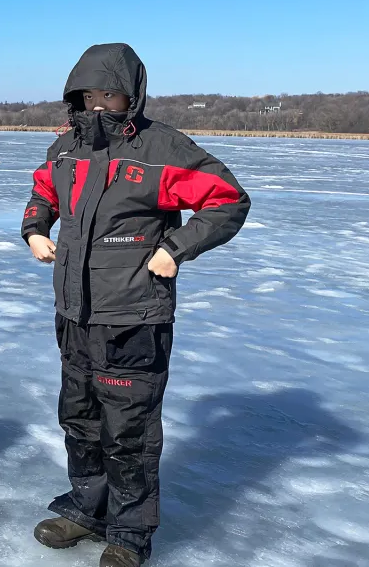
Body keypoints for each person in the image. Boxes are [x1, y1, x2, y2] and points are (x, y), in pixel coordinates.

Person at [21, 43, 250, 567]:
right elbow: (43, 192)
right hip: (75, 311)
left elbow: (228, 200)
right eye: (88, 94)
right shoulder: (67, 148)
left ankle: (129, 535)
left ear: (132, 92)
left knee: (129, 432)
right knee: (79, 419)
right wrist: (35, 228)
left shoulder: (161, 148)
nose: (98, 104)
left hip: (134, 315)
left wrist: (176, 249)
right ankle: (86, 508)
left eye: (109, 93)